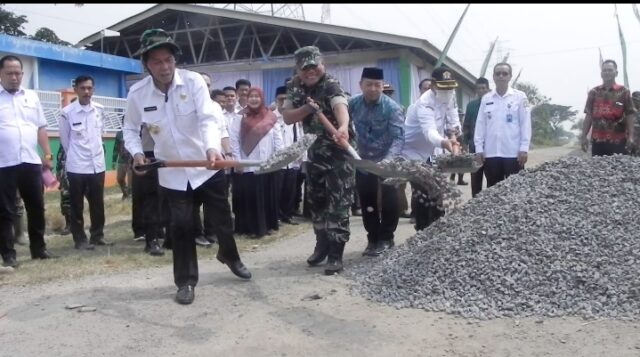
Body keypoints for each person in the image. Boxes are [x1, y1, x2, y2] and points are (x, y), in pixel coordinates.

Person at [124, 29, 251, 305]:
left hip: (207, 164)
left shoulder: (193, 82)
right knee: (181, 227)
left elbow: (208, 118)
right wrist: (136, 154)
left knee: (221, 219)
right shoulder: (138, 94)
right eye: (157, 61)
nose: (165, 67)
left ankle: (229, 254)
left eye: (168, 59)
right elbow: (130, 129)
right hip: (172, 172)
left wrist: (211, 147)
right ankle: (185, 281)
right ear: (146, 64)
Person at [282, 46, 355, 275]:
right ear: (298, 69)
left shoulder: (330, 84)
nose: (310, 72)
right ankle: (321, 245)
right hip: (315, 152)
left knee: (339, 203)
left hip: (339, 153)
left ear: (322, 65)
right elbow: (286, 117)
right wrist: (306, 108)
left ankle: (336, 253)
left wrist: (342, 128)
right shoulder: (295, 86)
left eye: (314, 67)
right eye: (305, 69)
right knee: (317, 201)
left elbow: (339, 105)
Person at [0, 55, 57, 267]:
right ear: (1, 74)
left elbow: (40, 127)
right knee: (5, 211)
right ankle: (8, 254)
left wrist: (48, 155)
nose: (14, 77)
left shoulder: (32, 97)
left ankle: (39, 249)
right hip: (3, 164)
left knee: (36, 207)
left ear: (23, 74)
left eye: (18, 73)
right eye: (9, 73)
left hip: (31, 162)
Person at [350, 67, 404, 256]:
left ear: (383, 86)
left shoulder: (392, 108)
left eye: (377, 85)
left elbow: (398, 138)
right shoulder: (353, 104)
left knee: (390, 198)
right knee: (367, 199)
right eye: (369, 84)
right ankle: (373, 238)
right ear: (361, 85)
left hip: (388, 159)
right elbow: (344, 126)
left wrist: (388, 161)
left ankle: (387, 238)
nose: (373, 89)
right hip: (363, 160)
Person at [403, 66, 460, 230]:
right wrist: (445, 143)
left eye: (450, 88)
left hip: (435, 149)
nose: (448, 91)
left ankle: (438, 227)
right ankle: (422, 229)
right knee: (422, 191)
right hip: (414, 150)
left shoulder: (450, 93)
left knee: (438, 188)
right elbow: (430, 131)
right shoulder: (424, 103)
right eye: (444, 87)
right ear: (434, 85)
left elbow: (453, 119)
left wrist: (453, 137)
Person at [59, 75, 112, 250]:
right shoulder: (67, 113)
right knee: (77, 204)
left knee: (97, 203)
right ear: (76, 90)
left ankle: (97, 236)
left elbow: (100, 134)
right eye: (82, 88)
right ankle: (80, 239)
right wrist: (76, 157)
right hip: (77, 166)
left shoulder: (100, 110)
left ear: (93, 90)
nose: (86, 92)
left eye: (89, 88)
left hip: (97, 164)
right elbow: (65, 142)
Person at [229, 87, 284, 238]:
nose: (254, 99)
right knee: (251, 197)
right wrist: (237, 160)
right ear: (247, 99)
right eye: (251, 96)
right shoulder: (240, 117)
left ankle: (267, 225)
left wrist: (278, 158)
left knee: (267, 195)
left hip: (268, 163)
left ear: (262, 98)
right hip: (247, 164)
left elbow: (278, 139)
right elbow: (234, 139)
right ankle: (251, 228)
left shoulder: (271, 116)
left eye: (257, 96)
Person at [474, 62, 532, 188]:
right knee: (494, 191)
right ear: (493, 77)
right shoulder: (486, 98)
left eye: (504, 73)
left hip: (513, 154)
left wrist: (524, 149)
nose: (501, 76)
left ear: (510, 76)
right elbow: (480, 125)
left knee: (516, 191)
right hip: (491, 154)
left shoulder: (520, 97)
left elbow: (525, 124)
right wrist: (479, 149)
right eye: (498, 73)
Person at [581, 59, 635, 156]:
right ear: (601, 73)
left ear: (616, 73)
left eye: (610, 70)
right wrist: (584, 136)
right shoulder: (594, 92)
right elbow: (589, 115)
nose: (607, 73)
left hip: (618, 141)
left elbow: (629, 115)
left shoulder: (624, 92)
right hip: (598, 141)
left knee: (618, 169)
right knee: (599, 169)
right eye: (604, 70)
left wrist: (631, 137)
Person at [274, 85, 304, 226]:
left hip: (292, 160)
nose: (283, 102)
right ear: (276, 99)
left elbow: (300, 136)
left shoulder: (294, 116)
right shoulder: (272, 117)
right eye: (281, 99)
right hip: (278, 160)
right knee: (277, 189)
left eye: (287, 99)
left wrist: (300, 154)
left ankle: (288, 214)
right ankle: (276, 216)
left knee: (290, 189)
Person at [462, 77, 491, 197]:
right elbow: (466, 125)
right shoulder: (471, 106)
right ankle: (475, 202)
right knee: (475, 178)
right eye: (479, 88)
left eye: (484, 88)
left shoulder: (493, 104)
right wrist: (465, 142)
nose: (481, 90)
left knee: (492, 178)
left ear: (488, 89)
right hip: (474, 148)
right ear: (476, 90)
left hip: (491, 148)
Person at [112, 118, 132, 200]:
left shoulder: (134, 133)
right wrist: (113, 161)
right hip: (121, 160)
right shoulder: (119, 134)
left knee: (131, 182)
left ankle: (130, 197)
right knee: (119, 178)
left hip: (132, 160)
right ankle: (125, 193)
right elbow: (116, 148)